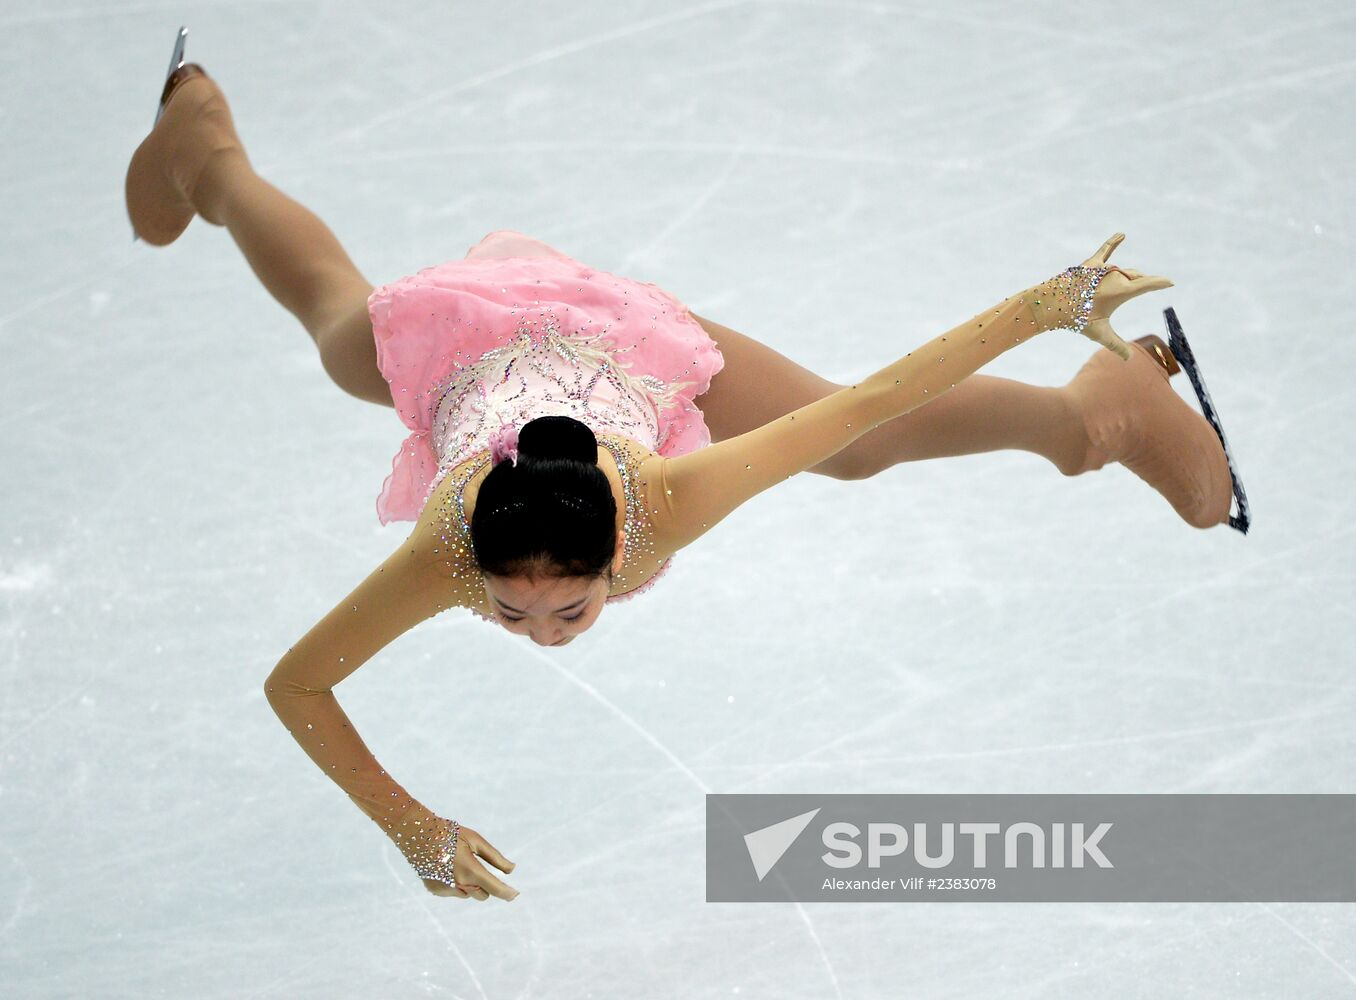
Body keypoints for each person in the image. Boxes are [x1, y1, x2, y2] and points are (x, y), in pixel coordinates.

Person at [126, 46, 1240, 903]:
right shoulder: (453, 550)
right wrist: (411, 825)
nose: (546, 630)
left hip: (606, 341)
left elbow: (866, 400)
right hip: (469, 343)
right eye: (519, 611)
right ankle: (205, 149)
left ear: (618, 549)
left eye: (561, 606)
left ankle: (1097, 414)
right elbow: (297, 684)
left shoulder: (664, 502)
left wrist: (1040, 307)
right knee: (336, 322)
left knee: (851, 448)